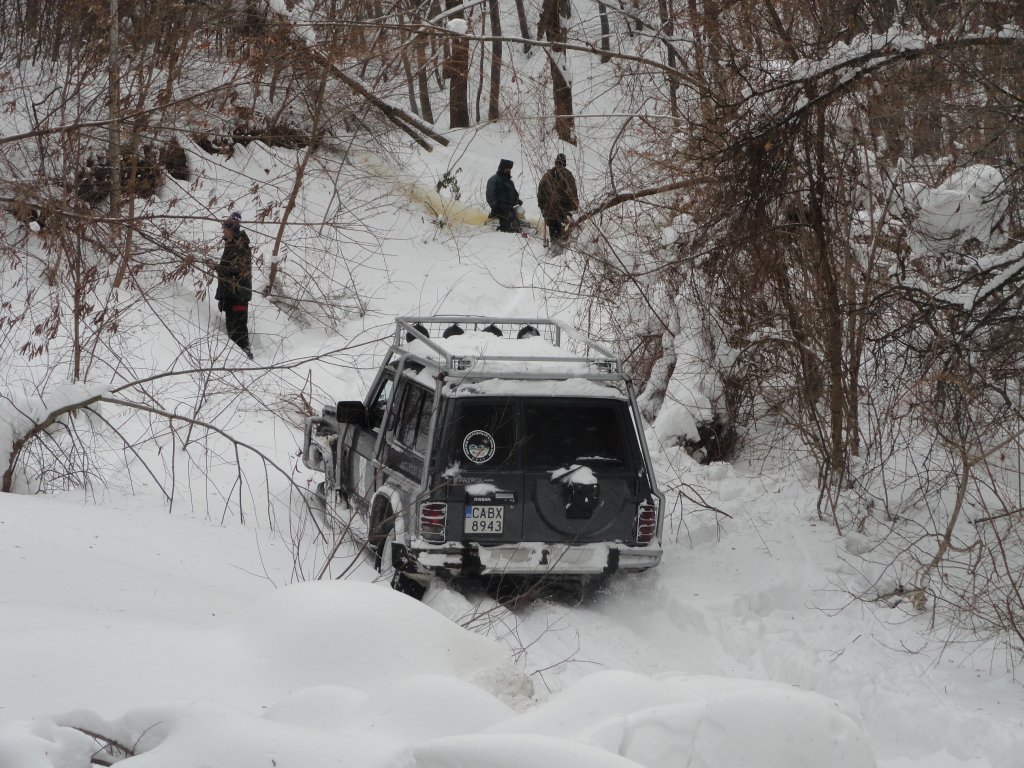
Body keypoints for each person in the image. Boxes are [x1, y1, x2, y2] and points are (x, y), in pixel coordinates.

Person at [215, 212, 254, 359]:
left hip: (237, 296)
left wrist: (219, 268)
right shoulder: (232, 243)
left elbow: (238, 271)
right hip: (234, 295)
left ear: (232, 229)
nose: (223, 230)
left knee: (237, 327)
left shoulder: (239, 246)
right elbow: (230, 269)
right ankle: (243, 354)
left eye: (225, 227)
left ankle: (244, 356)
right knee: (235, 326)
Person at [537, 153, 579, 243]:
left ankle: (555, 247)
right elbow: (573, 193)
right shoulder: (568, 175)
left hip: (549, 210)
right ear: (564, 163)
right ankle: (558, 250)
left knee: (554, 230)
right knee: (561, 230)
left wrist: (542, 208)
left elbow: (540, 192)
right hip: (562, 209)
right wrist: (575, 207)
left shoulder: (547, 175)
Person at [486, 158, 523, 233]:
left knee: (518, 221)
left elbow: (514, 193)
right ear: (502, 168)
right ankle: (504, 234)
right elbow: (490, 195)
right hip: (499, 209)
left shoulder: (510, 182)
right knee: (508, 223)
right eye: (507, 168)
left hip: (509, 209)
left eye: (510, 169)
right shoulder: (494, 179)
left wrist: (517, 200)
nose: (509, 170)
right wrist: (495, 206)